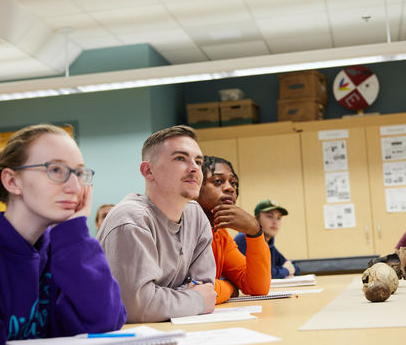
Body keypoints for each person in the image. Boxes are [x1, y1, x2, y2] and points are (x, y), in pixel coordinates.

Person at [0, 124, 126, 343]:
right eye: (55, 170)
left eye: (79, 173)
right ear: (12, 181)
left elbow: (104, 323)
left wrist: (75, 234)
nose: (73, 186)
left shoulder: (61, 247)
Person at [97, 125, 216, 322]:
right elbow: (136, 308)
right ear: (148, 170)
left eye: (198, 161)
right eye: (180, 158)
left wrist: (160, 299)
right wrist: (193, 299)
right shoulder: (131, 220)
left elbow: (206, 289)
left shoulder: (196, 216)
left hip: (173, 330)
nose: (194, 167)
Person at [197, 155, 271, 304]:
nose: (230, 188)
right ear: (195, 187)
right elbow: (195, 289)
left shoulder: (220, 233)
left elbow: (257, 287)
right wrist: (230, 287)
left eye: (233, 183)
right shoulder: (185, 228)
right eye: (218, 181)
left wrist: (255, 232)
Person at [235, 199, 300, 279]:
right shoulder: (245, 238)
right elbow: (260, 274)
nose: (275, 222)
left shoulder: (269, 243)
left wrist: (290, 268)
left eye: (279, 218)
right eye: (269, 216)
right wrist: (285, 270)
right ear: (256, 220)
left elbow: (292, 265)